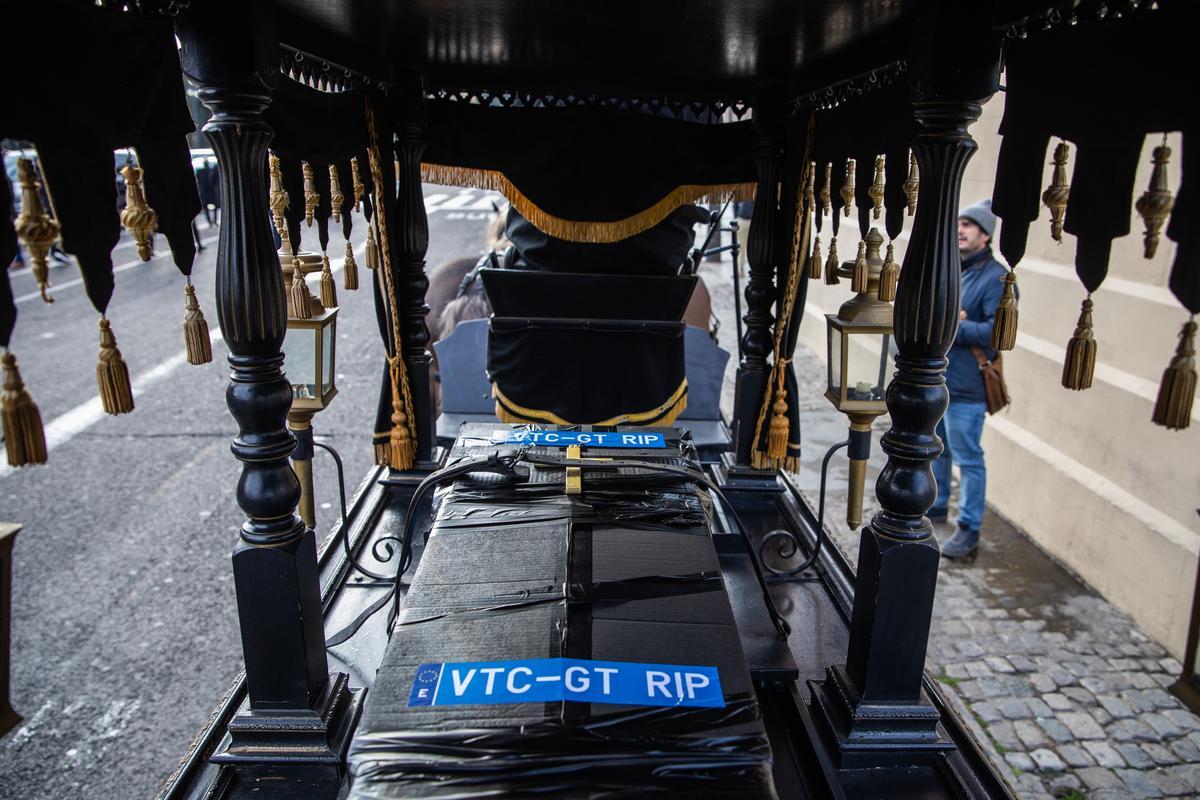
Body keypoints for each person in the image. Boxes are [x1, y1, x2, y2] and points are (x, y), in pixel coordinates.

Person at [931, 198, 1011, 559]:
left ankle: (969, 529)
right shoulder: (956, 269)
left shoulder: (997, 278)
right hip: (944, 380)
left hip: (969, 387)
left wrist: (956, 324)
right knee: (939, 450)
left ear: (986, 235)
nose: (960, 229)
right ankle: (936, 506)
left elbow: (999, 333)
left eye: (970, 225)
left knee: (969, 458)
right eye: (959, 223)